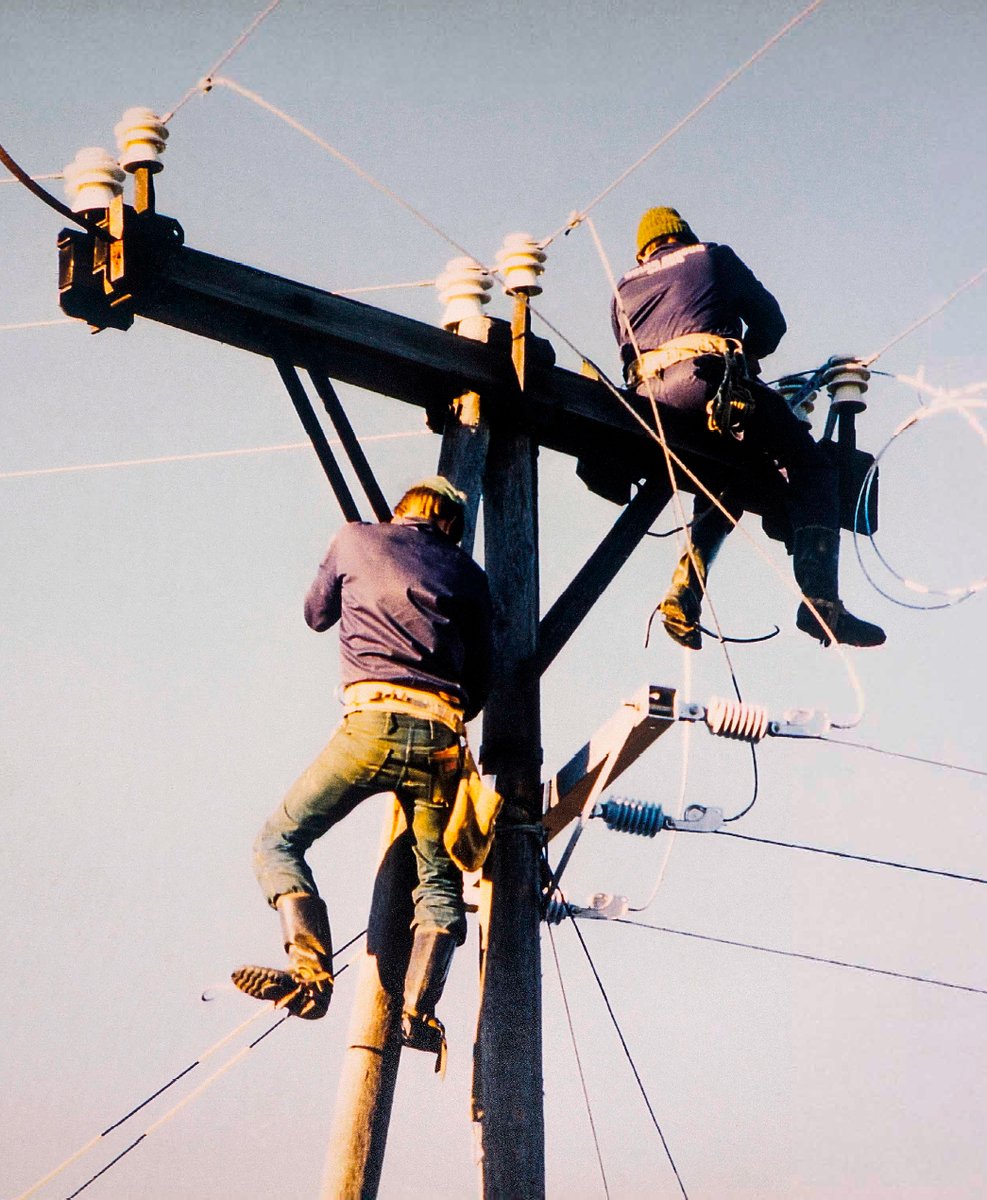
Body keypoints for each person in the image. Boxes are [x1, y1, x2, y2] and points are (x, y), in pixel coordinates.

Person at [233, 476, 493, 1066]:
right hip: (442, 742)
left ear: (400, 512)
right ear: (451, 524)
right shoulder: (471, 578)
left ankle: (310, 972)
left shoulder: (353, 540)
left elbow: (315, 614)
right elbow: (479, 687)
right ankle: (419, 1013)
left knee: (279, 841)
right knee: (440, 882)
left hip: (369, 724)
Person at [611, 205, 885, 650]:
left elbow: (628, 353)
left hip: (649, 406)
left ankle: (683, 595)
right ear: (683, 236)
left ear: (645, 252)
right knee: (813, 468)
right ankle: (821, 603)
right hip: (709, 382)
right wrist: (748, 355)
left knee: (727, 480)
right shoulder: (711, 256)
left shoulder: (623, 285)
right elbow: (772, 325)